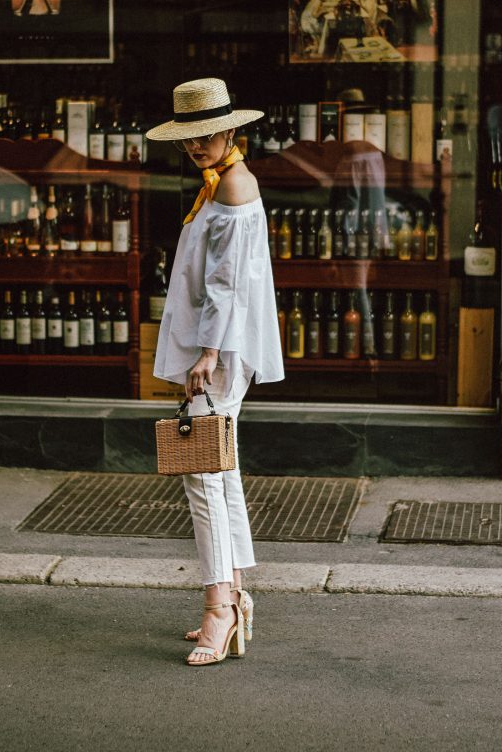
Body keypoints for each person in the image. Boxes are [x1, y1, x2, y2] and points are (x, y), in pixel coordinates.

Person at [146, 78, 284, 666]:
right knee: (216, 472)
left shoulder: (230, 186)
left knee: (202, 474)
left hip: (220, 353)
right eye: (188, 138)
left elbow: (227, 284)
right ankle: (233, 595)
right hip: (218, 348)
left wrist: (205, 354)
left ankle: (219, 608)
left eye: (204, 135)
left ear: (230, 129)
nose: (195, 146)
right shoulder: (222, 182)